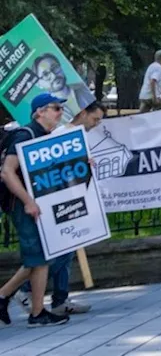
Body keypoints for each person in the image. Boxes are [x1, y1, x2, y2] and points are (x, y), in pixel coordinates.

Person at [14, 101, 105, 318]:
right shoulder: (63, 134)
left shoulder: (77, 135)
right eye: (95, 119)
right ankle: (25, 291)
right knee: (57, 253)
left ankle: (60, 299)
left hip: (70, 200)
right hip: (55, 203)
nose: (96, 124)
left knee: (67, 251)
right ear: (83, 113)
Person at [0, 93, 74, 326]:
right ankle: (33, 311)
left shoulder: (45, 137)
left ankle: (14, 301)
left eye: (61, 108)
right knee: (39, 257)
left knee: (41, 257)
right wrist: (28, 201)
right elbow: (7, 171)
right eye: (55, 108)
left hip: (37, 204)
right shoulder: (26, 135)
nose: (60, 112)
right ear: (39, 112)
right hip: (22, 206)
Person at [31, 54, 93, 124]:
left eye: (55, 68)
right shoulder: (46, 111)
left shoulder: (82, 89)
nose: (54, 76)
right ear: (39, 84)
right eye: (46, 74)